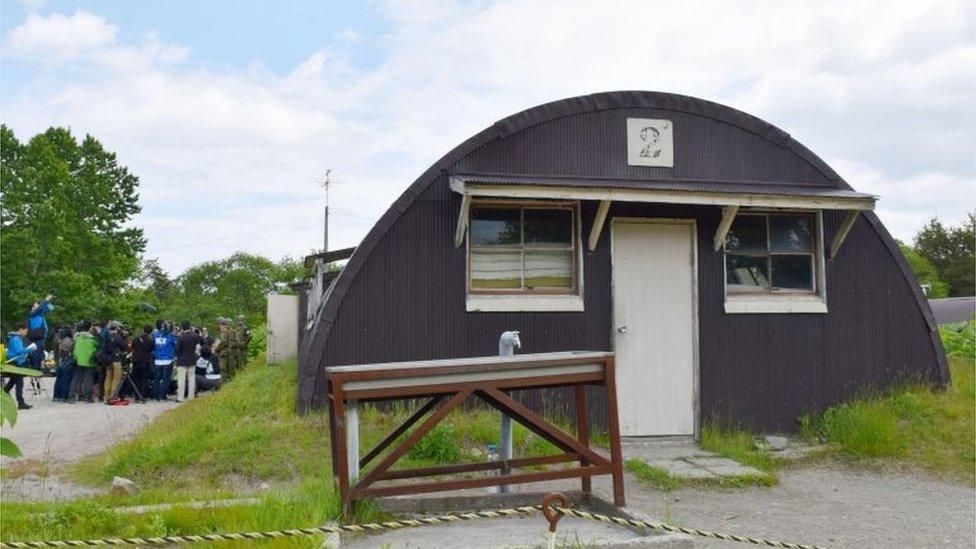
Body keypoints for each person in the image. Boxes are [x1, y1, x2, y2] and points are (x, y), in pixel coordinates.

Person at [5, 324, 37, 409]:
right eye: (25, 331)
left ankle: (3, 397)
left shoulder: (14, 338)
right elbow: (19, 351)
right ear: (20, 330)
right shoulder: (16, 339)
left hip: (13, 363)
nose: (26, 333)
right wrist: (30, 349)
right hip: (15, 363)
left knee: (12, 382)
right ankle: (21, 403)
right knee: (19, 383)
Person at [68, 321, 99, 403]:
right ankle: (88, 397)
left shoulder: (77, 336)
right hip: (89, 361)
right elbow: (98, 346)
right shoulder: (92, 339)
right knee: (88, 379)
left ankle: (71, 397)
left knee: (76, 378)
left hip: (78, 360)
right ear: (89, 327)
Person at [174, 320, 202, 402]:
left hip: (182, 361)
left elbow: (177, 349)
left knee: (181, 380)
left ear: (182, 327)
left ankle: (180, 398)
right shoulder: (195, 336)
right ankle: (191, 397)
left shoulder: (180, 337)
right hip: (192, 359)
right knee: (191, 379)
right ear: (190, 327)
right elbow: (202, 341)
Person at [101, 323, 127, 404]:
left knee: (108, 378)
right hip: (116, 360)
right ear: (117, 328)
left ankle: (106, 397)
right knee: (117, 378)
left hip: (107, 360)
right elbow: (124, 346)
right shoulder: (117, 336)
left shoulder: (106, 336)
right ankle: (113, 397)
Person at [26, 295, 54, 370]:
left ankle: (37, 369)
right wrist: (46, 299)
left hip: (41, 336)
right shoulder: (31, 314)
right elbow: (41, 307)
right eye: (36, 305)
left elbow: (51, 308)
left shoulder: (39, 313)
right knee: (36, 354)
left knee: (40, 353)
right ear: (32, 308)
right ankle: (35, 369)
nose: (38, 305)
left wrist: (50, 300)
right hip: (37, 337)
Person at [151, 320, 177, 401]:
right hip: (167, 360)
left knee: (157, 379)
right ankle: (162, 396)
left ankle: (156, 396)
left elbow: (152, 347)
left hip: (157, 360)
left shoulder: (154, 335)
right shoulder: (170, 336)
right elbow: (176, 346)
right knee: (165, 380)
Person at [130, 324, 155, 401]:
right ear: (150, 332)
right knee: (144, 379)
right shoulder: (150, 340)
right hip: (145, 361)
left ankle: (136, 396)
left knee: (136, 378)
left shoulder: (136, 338)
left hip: (136, 361)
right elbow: (151, 349)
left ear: (143, 330)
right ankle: (143, 396)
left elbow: (133, 347)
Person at [52, 327, 76, 401]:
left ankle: (56, 395)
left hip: (60, 362)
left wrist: (56, 363)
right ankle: (65, 396)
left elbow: (56, 353)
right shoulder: (70, 342)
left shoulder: (58, 340)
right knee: (66, 380)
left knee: (59, 380)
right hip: (67, 362)